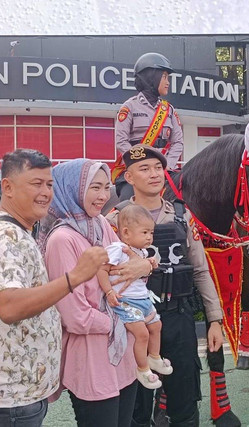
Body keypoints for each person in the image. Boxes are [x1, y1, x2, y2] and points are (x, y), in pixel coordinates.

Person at [0, 149, 108, 427]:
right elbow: (9, 306)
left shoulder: (21, 231)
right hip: (10, 401)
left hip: (21, 397)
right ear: (7, 187)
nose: (45, 192)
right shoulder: (6, 237)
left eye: (49, 184)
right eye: (36, 184)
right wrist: (75, 277)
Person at [106, 145, 227, 427]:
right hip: (134, 322)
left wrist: (215, 319)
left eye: (158, 168)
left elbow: (200, 269)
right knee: (136, 408)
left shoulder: (182, 217)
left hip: (178, 316)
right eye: (144, 169)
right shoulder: (114, 221)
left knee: (185, 402)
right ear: (130, 178)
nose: (154, 174)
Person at [42, 159, 153, 427]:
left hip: (122, 352)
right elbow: (75, 316)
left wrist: (145, 264)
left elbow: (126, 267)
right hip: (92, 358)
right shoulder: (62, 240)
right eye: (94, 187)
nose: (103, 196)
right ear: (72, 189)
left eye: (106, 187)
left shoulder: (101, 224)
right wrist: (121, 320)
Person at [98, 204, 173, 390]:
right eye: (145, 232)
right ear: (126, 232)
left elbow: (146, 264)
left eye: (151, 233)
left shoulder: (140, 250)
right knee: (142, 334)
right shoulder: (118, 248)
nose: (149, 237)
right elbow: (102, 270)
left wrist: (150, 263)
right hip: (125, 301)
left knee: (156, 325)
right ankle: (143, 369)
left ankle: (154, 357)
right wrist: (109, 292)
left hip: (143, 299)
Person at [112, 52, 184, 201]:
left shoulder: (168, 110)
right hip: (136, 170)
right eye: (164, 76)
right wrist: (138, 164)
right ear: (151, 77)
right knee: (128, 205)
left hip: (163, 170)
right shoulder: (129, 107)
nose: (168, 82)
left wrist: (166, 165)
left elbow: (178, 142)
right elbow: (121, 141)